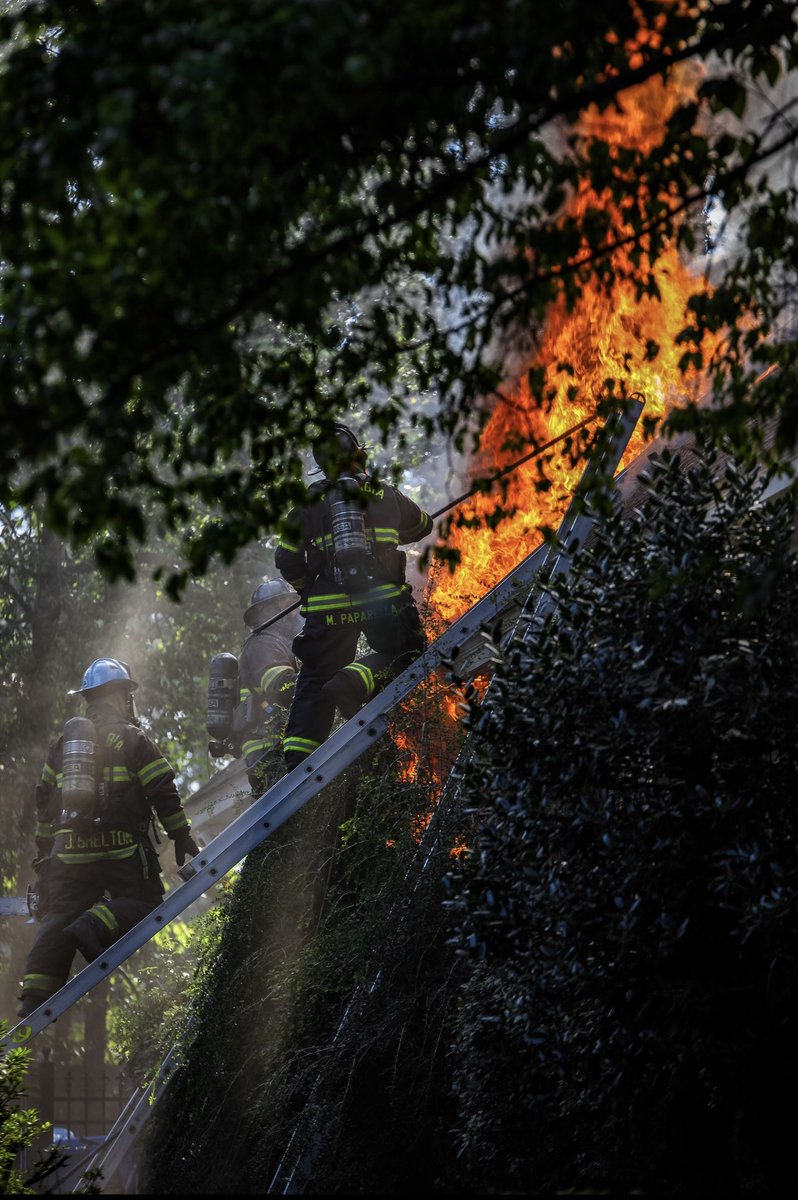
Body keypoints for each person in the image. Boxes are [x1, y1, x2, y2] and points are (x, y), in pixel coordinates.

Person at [17, 657, 199, 1020]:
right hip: (120, 850)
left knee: (58, 915)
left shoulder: (63, 745)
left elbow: (45, 806)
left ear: (89, 698)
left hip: (67, 854)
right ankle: (93, 926)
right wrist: (181, 835)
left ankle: (34, 995)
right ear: (121, 696)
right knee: (145, 900)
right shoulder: (133, 738)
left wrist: (45, 856)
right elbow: (162, 790)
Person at [274, 422, 434, 771]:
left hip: (327, 609)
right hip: (382, 601)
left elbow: (286, 559)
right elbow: (422, 525)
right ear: (357, 454)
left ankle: (299, 758)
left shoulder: (308, 504)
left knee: (316, 675)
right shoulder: (384, 492)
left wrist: (306, 589)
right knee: (408, 653)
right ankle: (352, 682)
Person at [235, 578, 302, 795]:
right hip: (268, 750)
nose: (296, 613)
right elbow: (283, 689)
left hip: (275, 745)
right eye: (288, 607)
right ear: (271, 611)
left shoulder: (280, 642)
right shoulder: (261, 644)